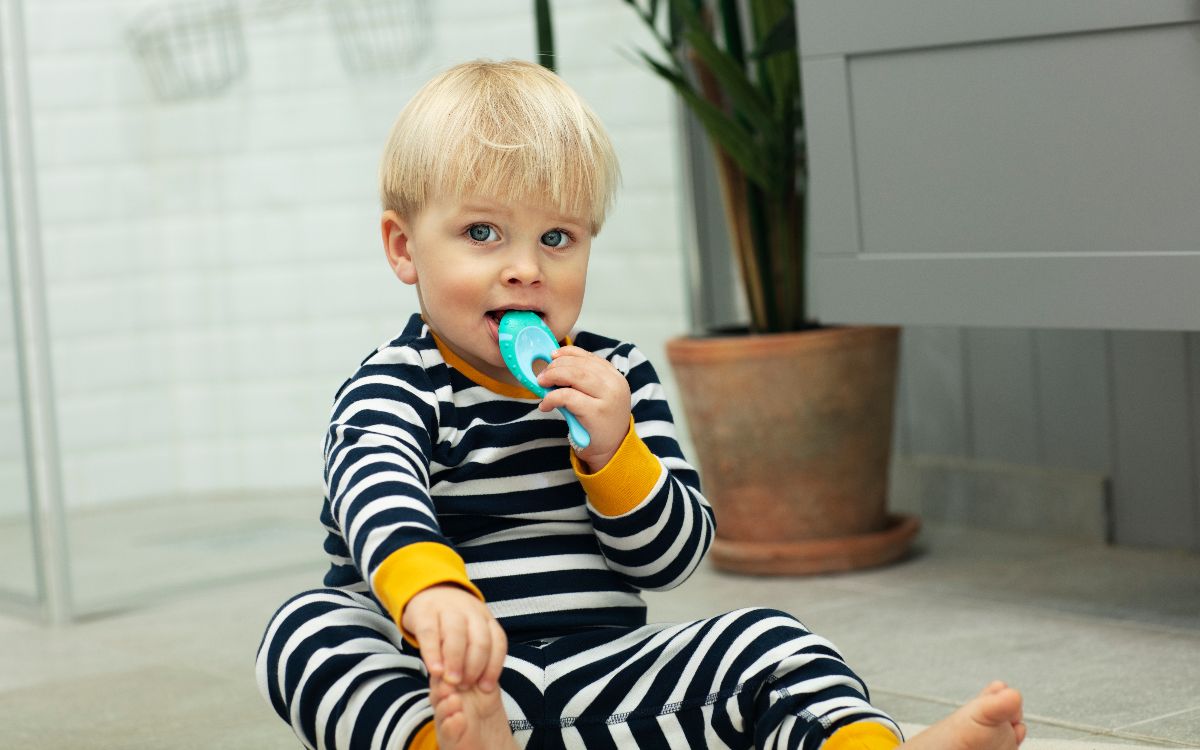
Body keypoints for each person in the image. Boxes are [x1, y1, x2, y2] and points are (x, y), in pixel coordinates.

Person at [255, 59, 1027, 750]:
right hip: (448, 682)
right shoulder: (397, 381)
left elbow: (673, 558)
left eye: (557, 238)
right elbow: (374, 491)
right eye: (483, 232)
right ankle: (441, 746)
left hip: (608, 682)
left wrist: (613, 450)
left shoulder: (614, 376)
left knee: (767, 640)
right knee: (305, 633)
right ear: (403, 248)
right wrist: (431, 596)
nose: (526, 269)